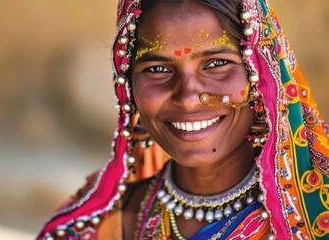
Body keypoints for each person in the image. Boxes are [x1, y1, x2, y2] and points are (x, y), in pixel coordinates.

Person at [37, 0, 329, 239]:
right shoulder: (96, 223)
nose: (188, 97)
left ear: (263, 75)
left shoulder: (318, 210)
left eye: (216, 64)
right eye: (157, 69)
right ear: (128, 85)